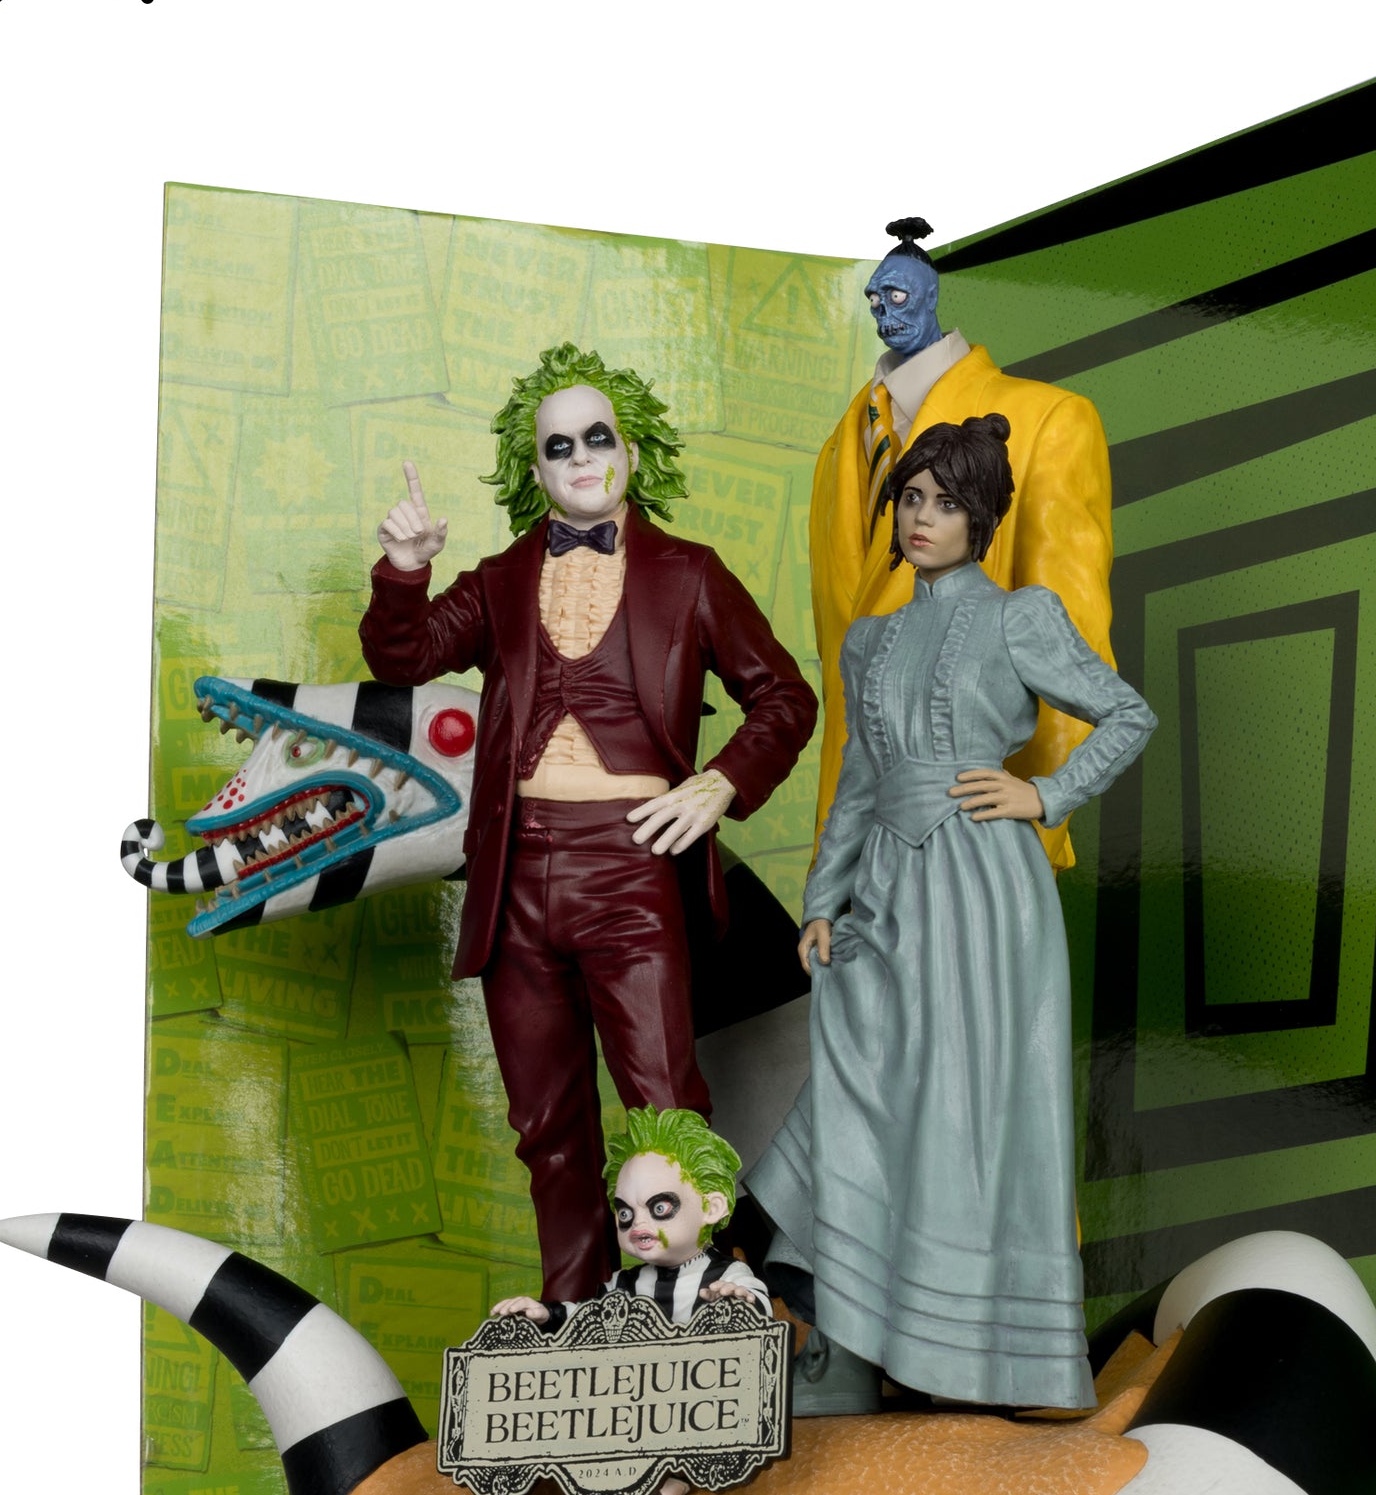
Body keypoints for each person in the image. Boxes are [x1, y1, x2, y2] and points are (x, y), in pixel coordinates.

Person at [360, 343, 816, 1303]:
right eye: (558, 445)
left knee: (663, 1098)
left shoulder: (689, 573)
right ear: (535, 471)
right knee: (546, 1124)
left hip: (631, 866)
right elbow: (404, 659)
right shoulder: (498, 579)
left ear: (630, 454)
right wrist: (405, 570)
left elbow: (784, 697)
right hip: (515, 877)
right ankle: (572, 1313)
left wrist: (721, 783)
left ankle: (690, 1299)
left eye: (596, 437)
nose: (579, 457)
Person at [749, 414, 1155, 1413]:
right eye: (910, 498)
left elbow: (1127, 713)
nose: (922, 518)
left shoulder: (1020, 616)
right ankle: (847, 1348)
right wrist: (822, 898)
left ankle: (980, 1364)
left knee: (968, 1115)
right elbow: (858, 777)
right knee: (860, 1092)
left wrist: (1044, 795)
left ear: (981, 518)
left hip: (983, 895)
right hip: (886, 893)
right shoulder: (870, 639)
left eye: (945, 502)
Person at [810, 218, 1117, 874]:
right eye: (874, 297)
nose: (884, 310)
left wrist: (1031, 837)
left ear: (930, 297)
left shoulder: (1049, 421)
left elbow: (1076, 644)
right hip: (861, 846)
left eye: (897, 295)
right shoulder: (839, 447)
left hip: (977, 849)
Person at [492, 1106, 769, 1495]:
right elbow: (588, 1319)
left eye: (660, 1207)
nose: (638, 1223)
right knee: (601, 1434)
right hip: (633, 1406)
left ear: (712, 1206)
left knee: (679, 1443)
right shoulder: (624, 1282)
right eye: (625, 1213)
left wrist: (738, 1299)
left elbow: (759, 1310)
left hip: (694, 1407)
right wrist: (548, 1314)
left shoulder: (725, 1273)